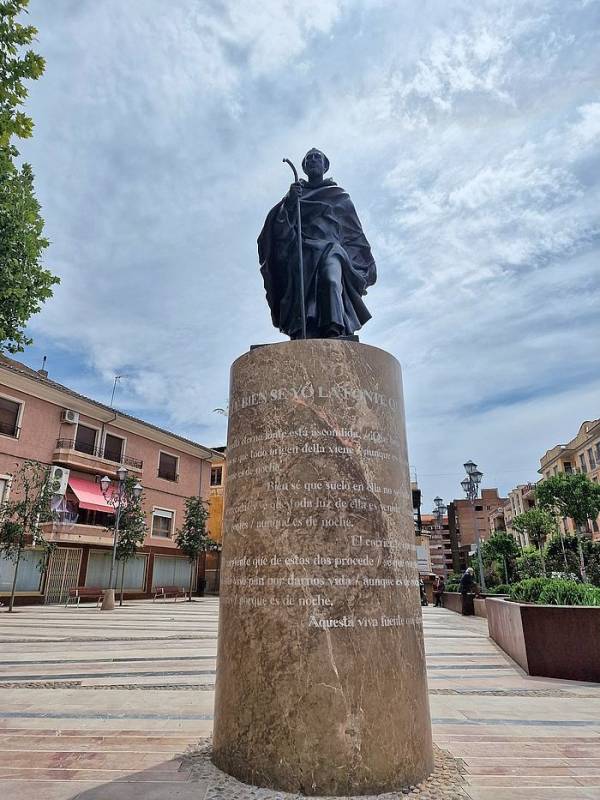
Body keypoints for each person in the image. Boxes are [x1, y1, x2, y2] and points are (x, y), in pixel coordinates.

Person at [258, 148, 377, 339]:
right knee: (302, 295)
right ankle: (303, 331)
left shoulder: (338, 196)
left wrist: (364, 263)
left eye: (317, 157)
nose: (313, 160)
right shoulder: (296, 194)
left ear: (325, 166)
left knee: (331, 280)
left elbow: (354, 234)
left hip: (331, 249)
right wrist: (289, 203)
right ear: (304, 167)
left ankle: (334, 329)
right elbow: (277, 228)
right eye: (309, 159)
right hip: (303, 251)